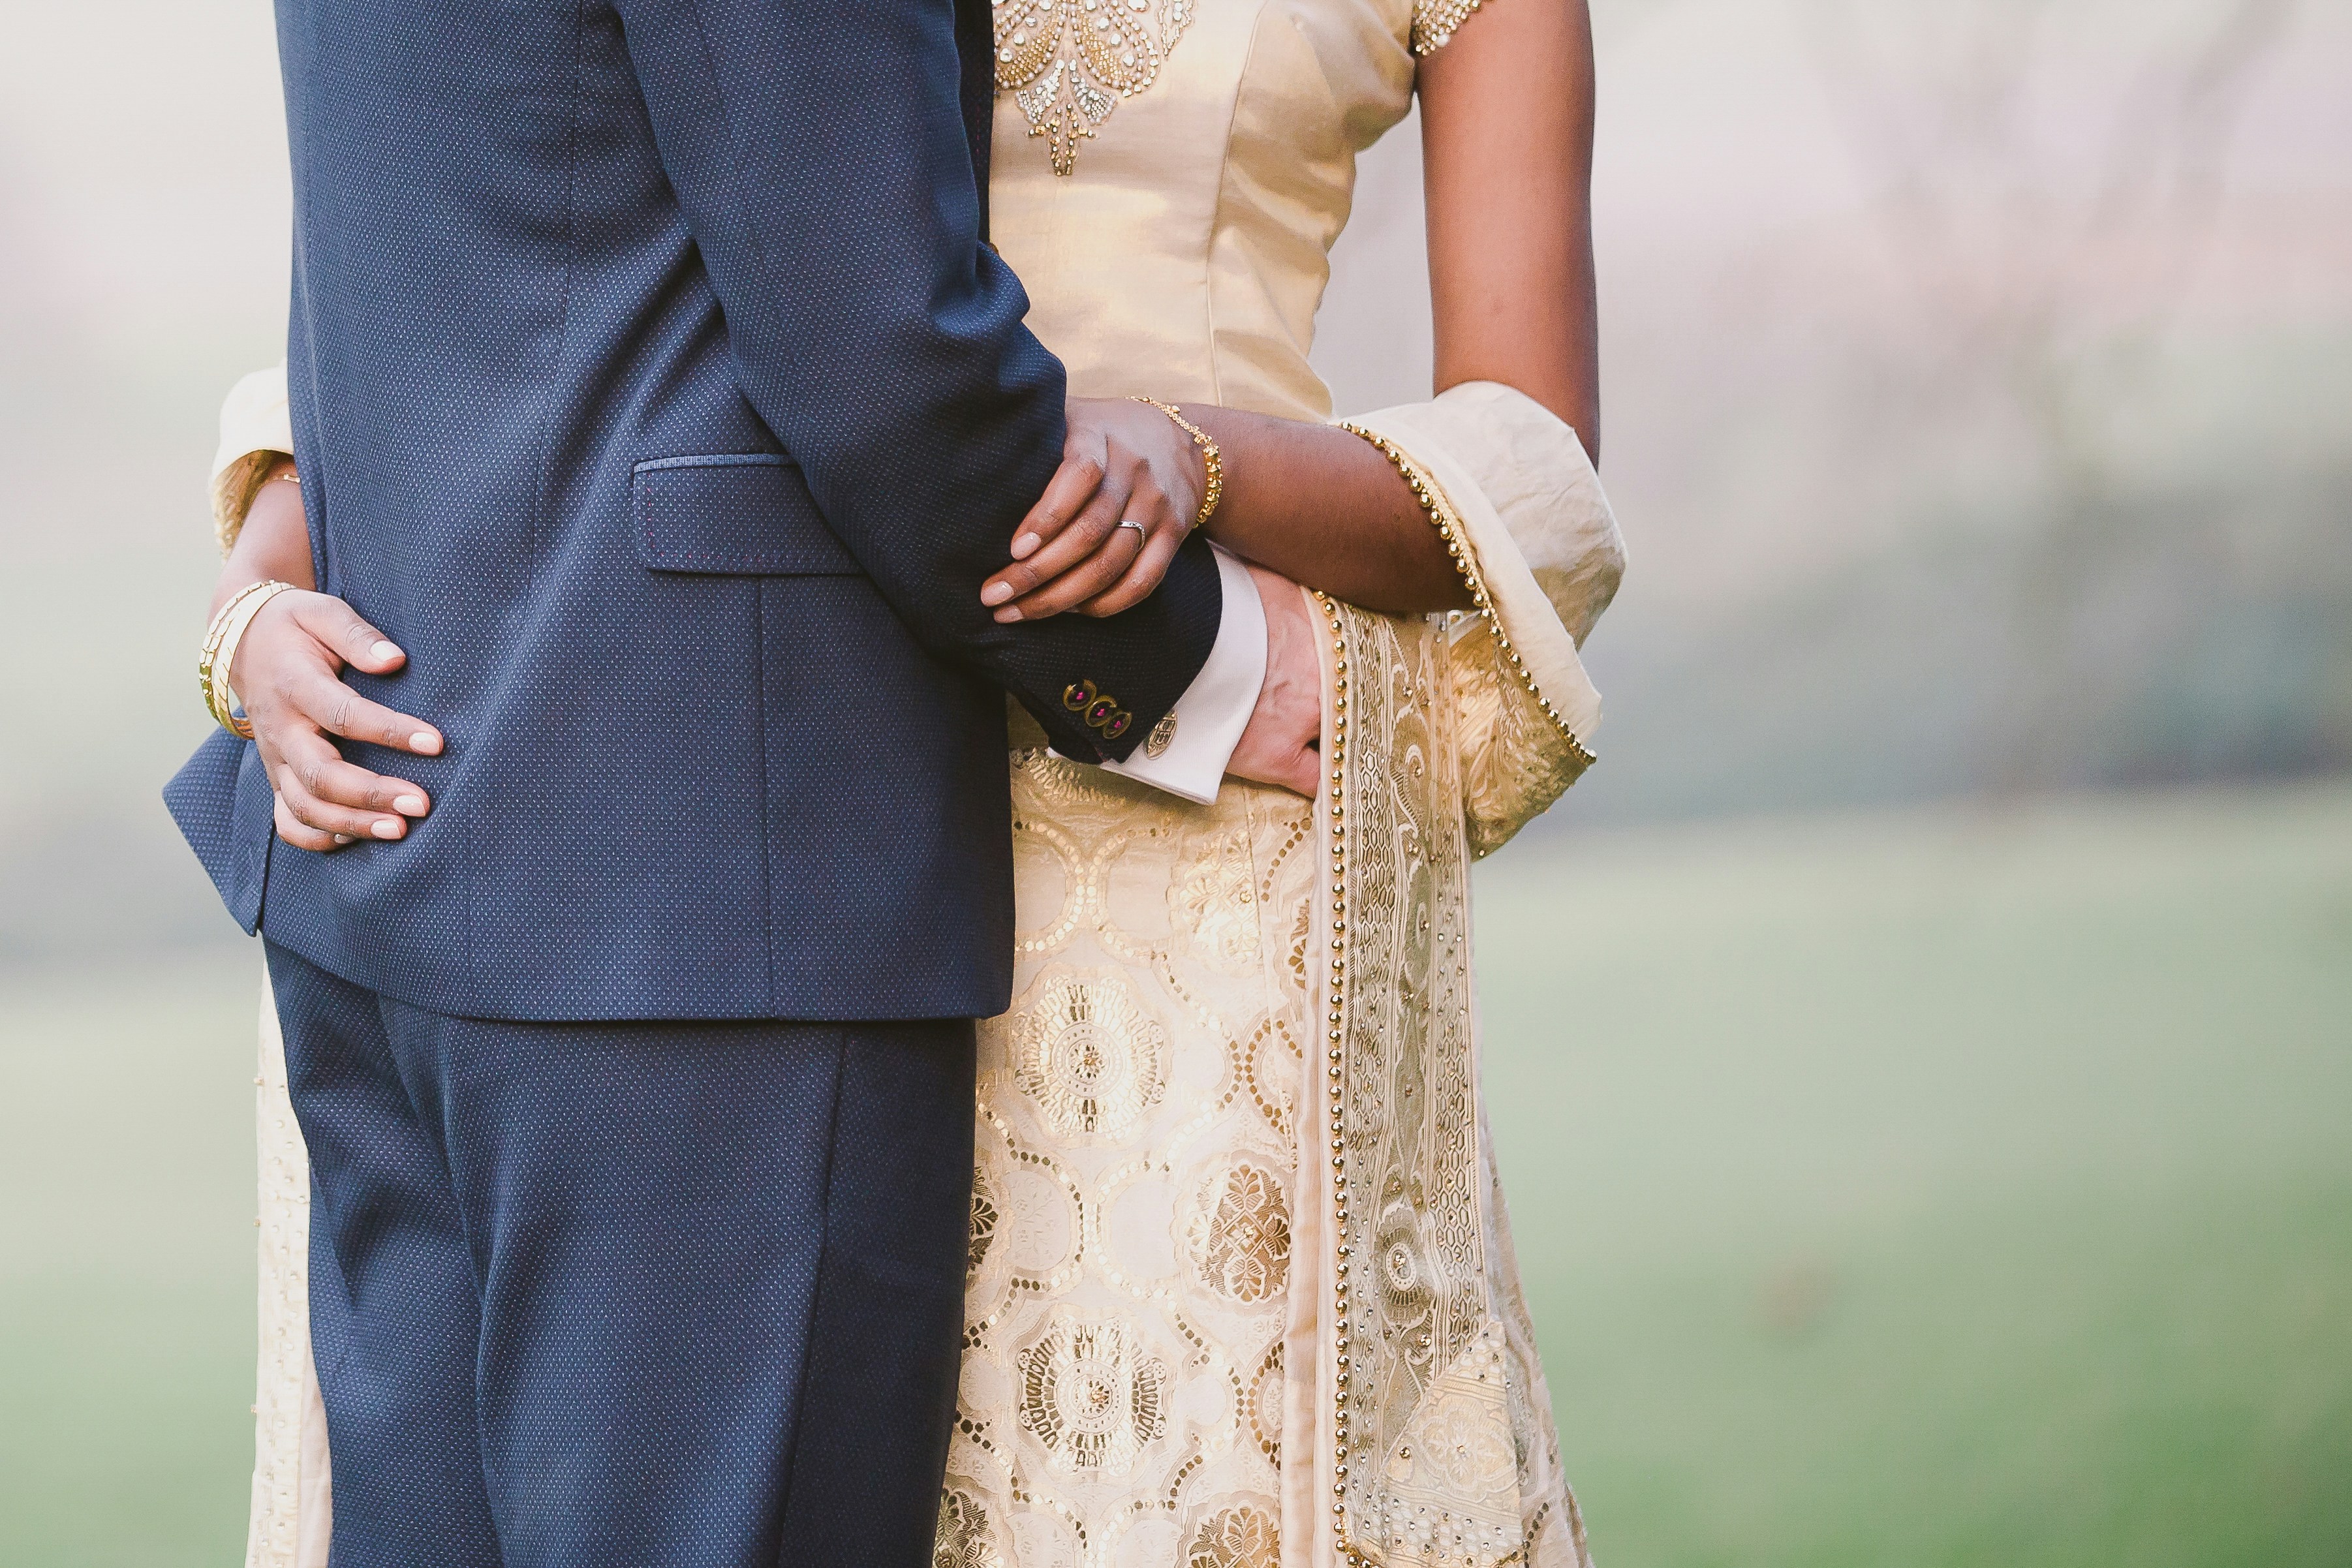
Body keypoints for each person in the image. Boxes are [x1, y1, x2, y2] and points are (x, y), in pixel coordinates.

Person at [186, 0, 1626, 1563]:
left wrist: (1202, 460)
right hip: (748, 839)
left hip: (1172, 919)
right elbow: (535, 215)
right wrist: (261, 578)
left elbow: (1531, 452)